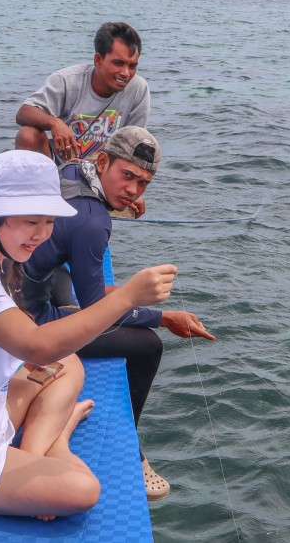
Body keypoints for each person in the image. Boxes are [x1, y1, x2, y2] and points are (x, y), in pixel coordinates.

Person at [0, 150, 177, 519]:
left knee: (69, 362)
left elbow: (35, 346)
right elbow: (38, 347)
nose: (42, 235)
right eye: (31, 221)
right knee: (83, 490)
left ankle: (32, 453)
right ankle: (55, 440)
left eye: (49, 221)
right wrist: (126, 297)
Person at [20, 126, 215, 502]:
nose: (133, 191)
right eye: (127, 177)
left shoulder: (73, 170)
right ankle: (132, 448)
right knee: (146, 345)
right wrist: (163, 317)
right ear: (104, 162)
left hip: (27, 281)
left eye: (143, 184)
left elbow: (91, 282)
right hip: (26, 321)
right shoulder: (94, 222)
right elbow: (98, 309)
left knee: (72, 279)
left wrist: (130, 297)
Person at [15, 22, 150, 166]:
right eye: (118, 63)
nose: (125, 73)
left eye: (132, 66)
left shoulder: (138, 89)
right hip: (58, 166)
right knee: (28, 135)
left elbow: (135, 142)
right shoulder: (67, 80)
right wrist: (55, 123)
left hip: (102, 171)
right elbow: (24, 112)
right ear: (98, 60)